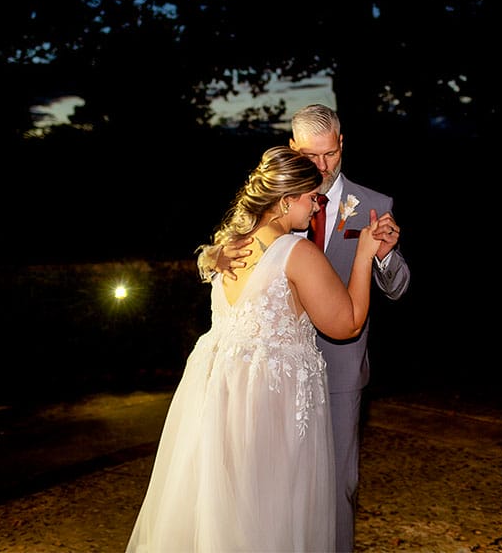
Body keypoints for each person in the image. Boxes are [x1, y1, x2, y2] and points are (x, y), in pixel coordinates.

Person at [125, 146, 381, 552]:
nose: (316, 207)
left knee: (227, 505)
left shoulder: (228, 246)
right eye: (311, 197)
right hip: (271, 405)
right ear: (285, 200)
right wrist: (365, 255)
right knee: (273, 505)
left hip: (218, 402)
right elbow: (346, 323)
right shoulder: (298, 253)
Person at [200, 104, 411, 552]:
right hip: (269, 379)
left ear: (342, 145)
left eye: (330, 155)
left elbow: (397, 288)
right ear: (292, 149)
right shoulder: (281, 201)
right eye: (310, 157)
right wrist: (210, 258)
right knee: (270, 490)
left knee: (335, 486)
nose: (321, 167)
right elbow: (229, 252)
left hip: (335, 371)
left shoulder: (374, 205)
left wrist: (384, 257)